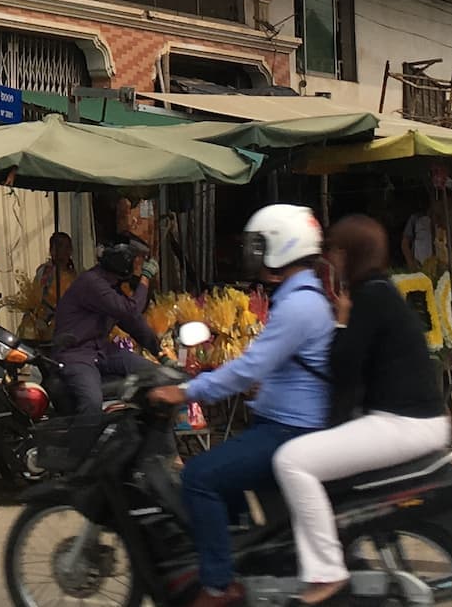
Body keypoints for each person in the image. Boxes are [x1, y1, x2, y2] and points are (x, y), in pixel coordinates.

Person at [148, 205, 334, 607]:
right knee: (224, 476)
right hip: (280, 425)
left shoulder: (298, 305)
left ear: (282, 247)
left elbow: (249, 367)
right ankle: (242, 563)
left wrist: (187, 391)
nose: (252, 254)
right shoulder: (301, 297)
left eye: (259, 245)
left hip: (287, 432)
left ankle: (218, 585)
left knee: (198, 475)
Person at [267, 217, 448, 607]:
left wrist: (341, 321)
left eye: (333, 250)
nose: (329, 258)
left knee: (292, 461)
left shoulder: (368, 298)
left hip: (401, 424)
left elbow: (344, 367)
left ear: (348, 254)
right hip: (413, 421)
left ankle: (326, 572)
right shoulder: (381, 291)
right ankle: (344, 555)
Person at [53, 240, 162, 417]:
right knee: (92, 402)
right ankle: (85, 435)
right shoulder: (92, 283)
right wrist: (145, 277)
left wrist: (160, 353)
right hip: (77, 354)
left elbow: (133, 323)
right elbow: (131, 311)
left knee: (155, 375)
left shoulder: (110, 287)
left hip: (102, 351)